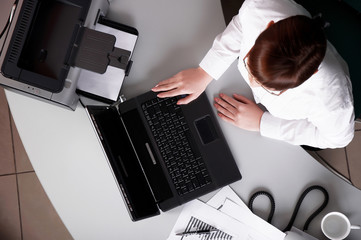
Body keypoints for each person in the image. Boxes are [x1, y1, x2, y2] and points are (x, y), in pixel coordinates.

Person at [152, 0, 354, 149]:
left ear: (311, 74)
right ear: (268, 25)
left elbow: (337, 139)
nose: (252, 83)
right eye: (251, 66)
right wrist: (205, 71)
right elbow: (241, 25)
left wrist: (263, 123)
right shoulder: (261, 8)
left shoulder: (331, 100)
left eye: (269, 87)